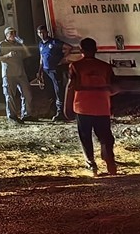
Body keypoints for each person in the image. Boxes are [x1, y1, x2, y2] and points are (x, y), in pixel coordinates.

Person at [64, 36, 120, 175]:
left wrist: (67, 108)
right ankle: (110, 164)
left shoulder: (75, 66)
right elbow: (113, 87)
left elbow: (71, 86)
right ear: (96, 50)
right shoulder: (105, 67)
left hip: (82, 106)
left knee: (85, 136)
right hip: (102, 106)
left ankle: (91, 165)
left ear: (81, 50)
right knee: (105, 136)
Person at [0, 26, 32, 124]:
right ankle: (12, 116)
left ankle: (27, 114)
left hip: (21, 73)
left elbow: (28, 54)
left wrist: (23, 43)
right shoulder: (2, 44)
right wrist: (7, 55)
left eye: (14, 33)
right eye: (10, 33)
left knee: (27, 94)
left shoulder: (18, 44)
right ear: (6, 35)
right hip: (9, 74)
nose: (13, 35)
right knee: (10, 96)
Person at [36, 25, 69, 121]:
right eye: (39, 33)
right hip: (46, 71)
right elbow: (41, 58)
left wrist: (62, 59)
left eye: (43, 32)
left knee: (58, 90)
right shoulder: (41, 44)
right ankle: (52, 110)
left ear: (47, 32)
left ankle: (61, 111)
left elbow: (68, 48)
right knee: (50, 91)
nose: (42, 34)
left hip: (54, 70)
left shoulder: (54, 42)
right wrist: (39, 71)